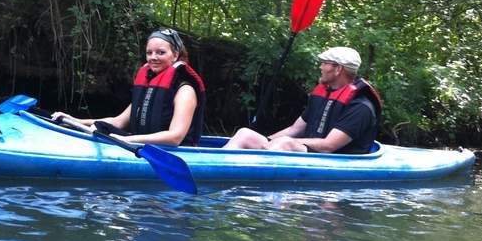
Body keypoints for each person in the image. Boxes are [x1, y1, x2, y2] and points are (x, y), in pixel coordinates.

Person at [52, 29, 206, 146]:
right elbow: (118, 122)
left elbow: (175, 137)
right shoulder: (149, 89)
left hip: (173, 152)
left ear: (175, 55)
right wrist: (76, 120)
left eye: (161, 53)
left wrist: (126, 139)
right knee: (100, 127)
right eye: (149, 53)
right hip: (140, 143)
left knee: (100, 130)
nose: (153, 57)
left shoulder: (185, 91)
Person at [222, 46, 381, 154]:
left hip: (332, 160)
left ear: (338, 69)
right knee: (245, 134)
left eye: (324, 63)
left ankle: (254, 182)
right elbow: (294, 130)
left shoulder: (361, 106)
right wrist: (267, 141)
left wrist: (284, 142)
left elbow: (329, 145)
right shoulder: (323, 95)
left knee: (284, 143)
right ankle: (219, 165)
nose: (320, 67)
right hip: (311, 152)